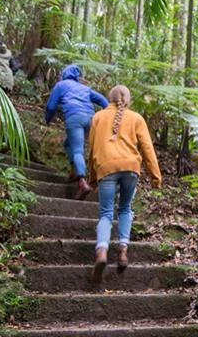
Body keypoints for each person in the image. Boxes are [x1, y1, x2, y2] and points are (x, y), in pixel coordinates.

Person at [87, 85, 161, 281]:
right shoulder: (136, 118)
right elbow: (147, 148)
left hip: (106, 167)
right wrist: (155, 176)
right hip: (130, 168)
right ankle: (122, 251)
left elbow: (92, 148)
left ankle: (102, 252)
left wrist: (92, 177)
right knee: (125, 208)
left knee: (105, 213)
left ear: (109, 99)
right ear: (128, 99)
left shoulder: (98, 117)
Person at [45, 65, 108, 200]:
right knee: (68, 143)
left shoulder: (61, 85)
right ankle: (74, 172)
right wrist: (105, 115)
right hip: (91, 120)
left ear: (64, 74)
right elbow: (104, 101)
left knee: (77, 150)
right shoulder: (85, 88)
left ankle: (82, 183)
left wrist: (47, 120)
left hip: (75, 118)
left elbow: (51, 106)